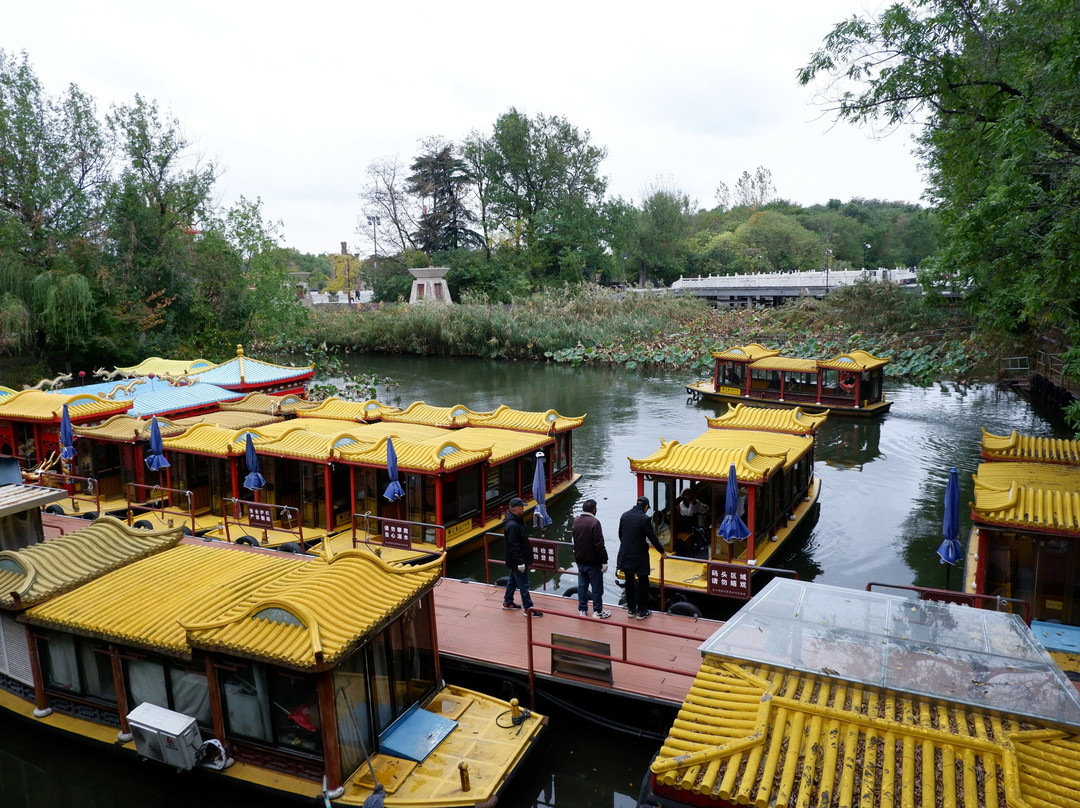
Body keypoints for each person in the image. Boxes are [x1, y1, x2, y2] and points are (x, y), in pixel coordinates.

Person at [617, 496, 665, 619]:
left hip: (625, 554)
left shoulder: (624, 515)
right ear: (646, 507)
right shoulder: (644, 519)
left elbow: (620, 535)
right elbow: (653, 538)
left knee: (629, 582)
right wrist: (662, 552)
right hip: (639, 556)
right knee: (643, 582)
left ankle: (631, 610)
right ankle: (642, 611)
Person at [502, 497, 542, 617]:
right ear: (518, 508)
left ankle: (508, 602)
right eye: (522, 507)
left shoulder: (514, 521)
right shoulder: (513, 524)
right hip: (518, 560)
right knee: (524, 583)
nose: (524, 509)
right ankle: (528, 608)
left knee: (512, 581)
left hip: (515, 559)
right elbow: (514, 545)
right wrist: (520, 562)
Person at [572, 499, 610, 618]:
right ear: (593, 509)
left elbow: (575, 538)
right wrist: (604, 561)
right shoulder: (595, 523)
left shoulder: (576, 521)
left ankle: (582, 610)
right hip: (593, 562)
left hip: (580, 560)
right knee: (596, 587)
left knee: (582, 587)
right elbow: (599, 544)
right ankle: (598, 611)